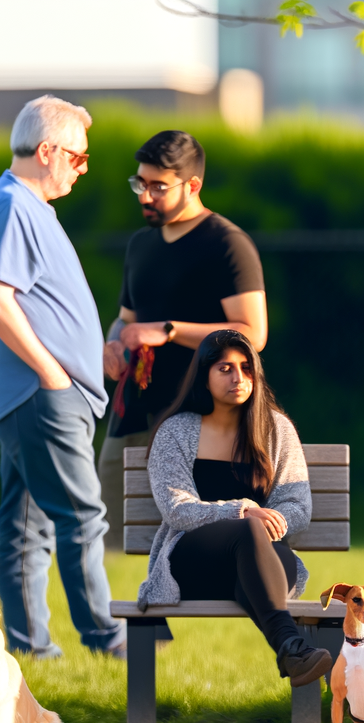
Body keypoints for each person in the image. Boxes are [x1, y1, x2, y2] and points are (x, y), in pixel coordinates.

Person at [0, 95, 124, 658]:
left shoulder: (26, 206)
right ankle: (109, 642)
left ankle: (33, 648)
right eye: (79, 158)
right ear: (48, 151)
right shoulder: (11, 205)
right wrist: (53, 372)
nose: (83, 169)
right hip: (41, 396)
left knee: (26, 525)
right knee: (82, 515)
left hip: (42, 395)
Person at [100, 129, 267, 551]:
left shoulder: (226, 243)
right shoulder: (141, 244)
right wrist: (113, 344)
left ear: (192, 185)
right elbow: (126, 320)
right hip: (133, 415)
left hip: (196, 418)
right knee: (111, 538)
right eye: (140, 183)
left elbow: (253, 333)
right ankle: (128, 619)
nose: (145, 195)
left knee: (195, 543)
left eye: (158, 186)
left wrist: (170, 330)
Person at [136, 330, 334, 683]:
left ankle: (293, 652)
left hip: (263, 564)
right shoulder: (175, 432)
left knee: (261, 549)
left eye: (246, 368)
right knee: (247, 530)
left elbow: (297, 506)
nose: (238, 378)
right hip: (194, 563)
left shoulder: (276, 429)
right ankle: (290, 644)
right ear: (204, 375)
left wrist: (270, 520)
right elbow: (177, 509)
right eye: (225, 368)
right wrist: (242, 511)